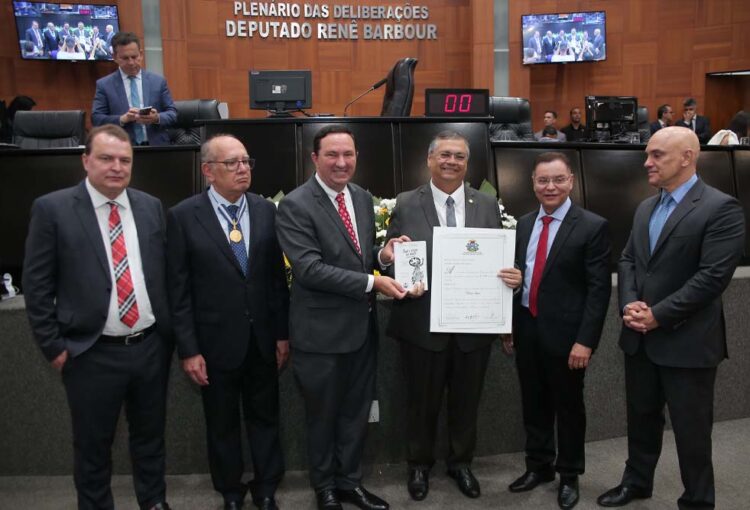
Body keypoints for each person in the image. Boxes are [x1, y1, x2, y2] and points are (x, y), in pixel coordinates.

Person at [22, 124, 172, 510]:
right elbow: (36, 287)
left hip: (149, 347)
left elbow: (162, 274)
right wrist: (54, 347)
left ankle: (154, 503)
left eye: (125, 160)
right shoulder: (52, 209)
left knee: (151, 439)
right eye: (106, 158)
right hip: (90, 352)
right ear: (86, 160)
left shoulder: (150, 206)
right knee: (93, 448)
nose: (116, 167)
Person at [597, 126, 745, 509]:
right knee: (641, 418)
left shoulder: (721, 208)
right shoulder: (646, 206)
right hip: (640, 337)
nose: (647, 162)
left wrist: (658, 315)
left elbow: (712, 278)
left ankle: (697, 500)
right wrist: (630, 304)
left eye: (657, 155)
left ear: (687, 157)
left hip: (688, 342)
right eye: (648, 154)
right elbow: (629, 259)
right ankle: (637, 482)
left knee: (692, 430)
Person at [382, 131, 522, 502]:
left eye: (459, 156)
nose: (452, 162)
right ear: (429, 160)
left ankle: (461, 463)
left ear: (467, 163)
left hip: (473, 325)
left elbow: (499, 259)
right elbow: (390, 251)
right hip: (421, 323)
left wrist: (513, 276)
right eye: (444, 155)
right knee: (420, 402)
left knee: (467, 400)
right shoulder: (407, 202)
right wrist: (387, 255)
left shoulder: (487, 204)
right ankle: (419, 465)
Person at [276, 125, 408, 510]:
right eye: (332, 154)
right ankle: (325, 488)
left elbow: (360, 255)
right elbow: (310, 270)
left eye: (348, 154)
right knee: (322, 416)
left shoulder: (363, 199)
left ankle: (350, 482)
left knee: (355, 414)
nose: (341, 162)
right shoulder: (296, 205)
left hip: (360, 332)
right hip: (318, 336)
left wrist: (383, 257)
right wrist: (374, 282)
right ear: (314, 159)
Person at [167, 134, 288, 510]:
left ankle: (266, 486)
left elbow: (275, 281)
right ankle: (231, 491)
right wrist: (189, 350)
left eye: (246, 162)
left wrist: (282, 334)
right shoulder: (184, 216)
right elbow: (178, 291)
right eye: (232, 163)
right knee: (221, 424)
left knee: (265, 417)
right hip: (214, 343)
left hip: (263, 339)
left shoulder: (266, 210)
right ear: (208, 171)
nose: (242, 169)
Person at [504, 152, 611, 510]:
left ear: (571, 181)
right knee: (533, 404)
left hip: (568, 339)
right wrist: (509, 321)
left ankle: (569, 474)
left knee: (568, 408)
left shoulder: (592, 226)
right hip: (527, 329)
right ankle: (539, 467)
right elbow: (519, 277)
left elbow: (598, 290)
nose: (550, 186)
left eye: (558, 179)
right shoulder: (523, 224)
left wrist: (586, 341)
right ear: (533, 183)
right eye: (542, 180)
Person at [92, 31, 176, 146]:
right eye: (125, 58)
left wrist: (156, 118)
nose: (131, 62)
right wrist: (122, 119)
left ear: (141, 55)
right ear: (115, 57)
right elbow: (97, 119)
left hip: (156, 148)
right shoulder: (104, 85)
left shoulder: (158, 82)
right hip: (121, 149)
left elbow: (173, 114)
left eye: (134, 57)